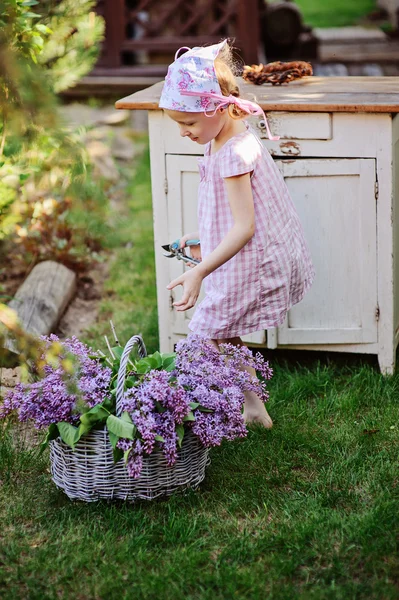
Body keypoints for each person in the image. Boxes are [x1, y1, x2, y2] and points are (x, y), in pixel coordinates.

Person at [159, 40, 315, 428]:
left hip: (253, 259)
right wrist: (200, 237)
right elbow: (232, 213)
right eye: (179, 125)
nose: (183, 132)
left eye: (188, 123)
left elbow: (245, 227)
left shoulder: (233, 153)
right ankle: (254, 408)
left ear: (216, 108)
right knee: (222, 333)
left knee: (207, 332)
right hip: (240, 253)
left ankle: (216, 405)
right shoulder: (223, 138)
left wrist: (198, 271)